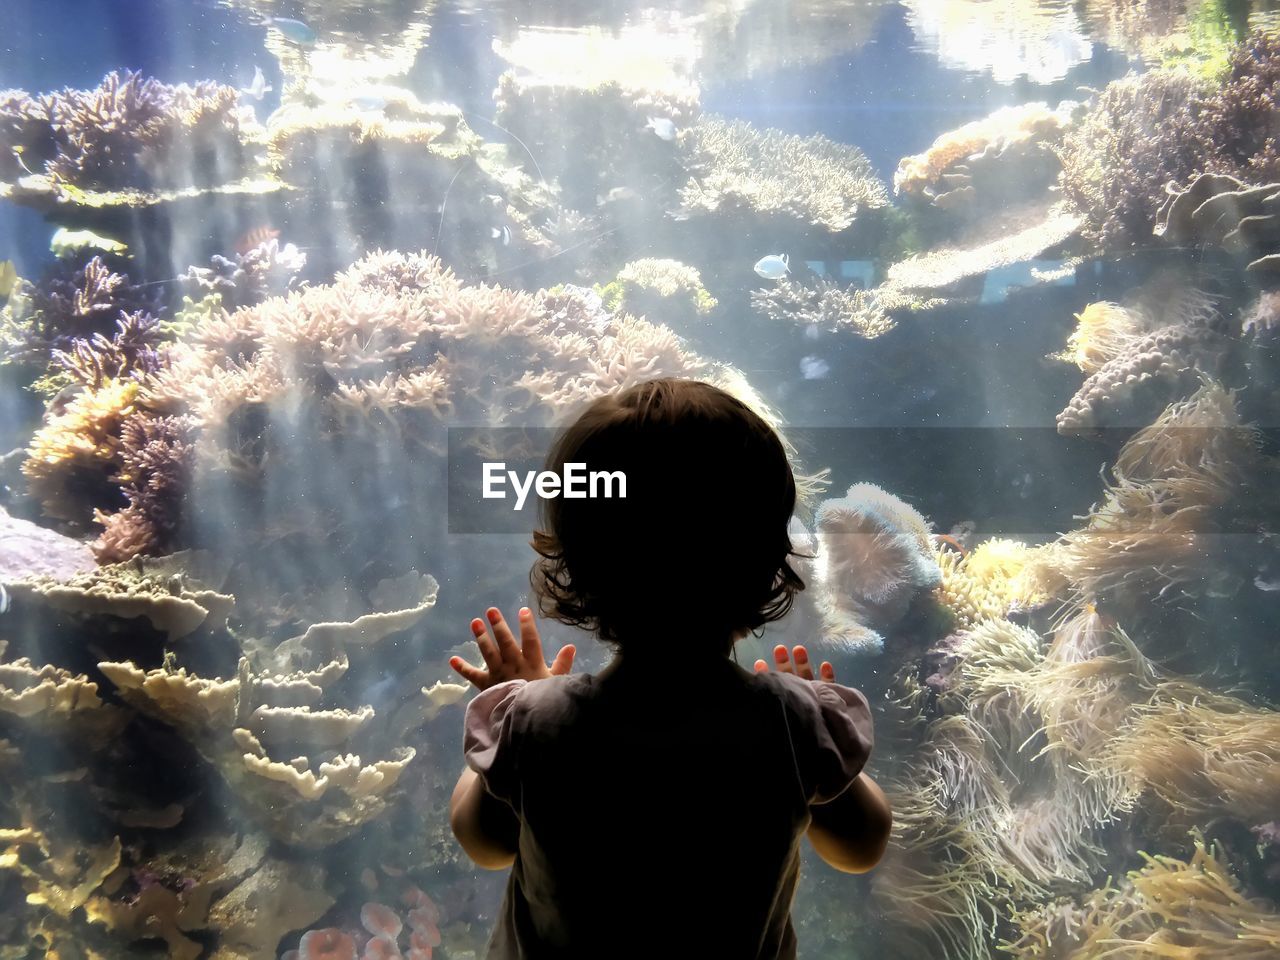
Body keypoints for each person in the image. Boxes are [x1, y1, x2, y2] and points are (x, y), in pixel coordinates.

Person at [448, 378, 892, 960]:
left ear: (576, 569)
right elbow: (861, 846)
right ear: (768, 568)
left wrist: (516, 700)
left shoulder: (536, 724)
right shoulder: (793, 723)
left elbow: (485, 843)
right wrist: (821, 741)